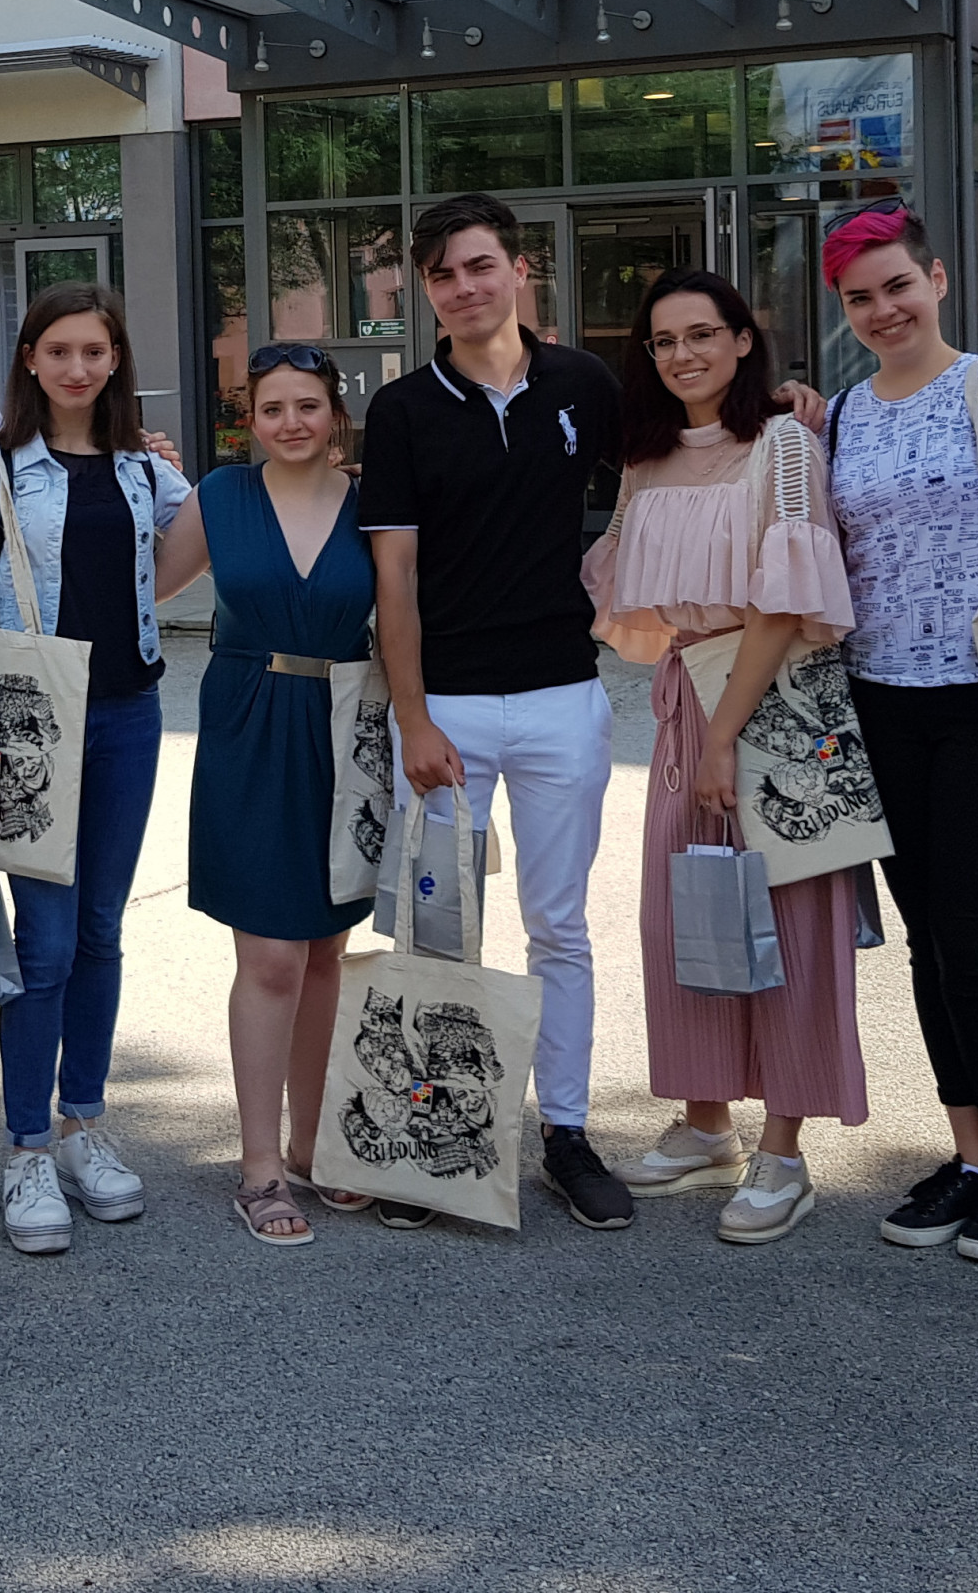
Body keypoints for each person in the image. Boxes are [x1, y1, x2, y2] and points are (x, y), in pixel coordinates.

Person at [359, 192, 633, 1231]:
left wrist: (784, 406)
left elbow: (678, 452)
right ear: (425, 291)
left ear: (519, 270)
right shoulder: (401, 410)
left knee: (557, 927)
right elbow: (395, 577)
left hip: (564, 698)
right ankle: (440, 1134)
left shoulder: (584, 384)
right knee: (441, 934)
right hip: (449, 717)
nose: (464, 288)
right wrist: (415, 717)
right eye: (442, 275)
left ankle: (564, 1132)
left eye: (479, 266)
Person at [814, 204, 978, 1264]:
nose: (882, 311)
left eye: (895, 287)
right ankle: (968, 1154)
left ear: (936, 278)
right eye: (858, 298)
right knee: (924, 942)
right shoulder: (844, 412)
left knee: (971, 938)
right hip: (880, 700)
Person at [584, 271, 866, 1243]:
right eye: (663, 342)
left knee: (789, 923)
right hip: (685, 692)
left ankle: (782, 1150)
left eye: (702, 334)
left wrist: (721, 734)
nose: (682, 355)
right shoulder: (646, 457)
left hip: (774, 698)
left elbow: (785, 600)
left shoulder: (785, 443)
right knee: (685, 912)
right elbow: (624, 583)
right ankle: (706, 1118)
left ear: (744, 341)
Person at [0, 281, 193, 1255]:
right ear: (32, 362)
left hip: (127, 716)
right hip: (32, 723)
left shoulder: (139, 467)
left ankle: (86, 1121)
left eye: (95, 351)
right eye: (60, 352)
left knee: (98, 931)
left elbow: (185, 549)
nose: (79, 368)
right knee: (41, 944)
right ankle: (26, 1148)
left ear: (116, 359)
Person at [162, 344, 375, 1244]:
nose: (292, 421)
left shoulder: (374, 504)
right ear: (251, 417)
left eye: (309, 405)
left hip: (346, 726)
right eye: (273, 407)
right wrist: (142, 489)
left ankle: (315, 1141)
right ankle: (259, 1168)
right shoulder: (216, 498)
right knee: (273, 957)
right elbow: (144, 585)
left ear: (335, 414)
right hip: (249, 724)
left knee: (325, 951)